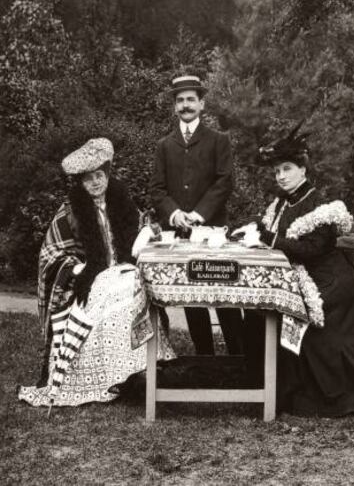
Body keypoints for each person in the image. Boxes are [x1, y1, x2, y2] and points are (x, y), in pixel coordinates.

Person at [238, 123, 354, 416]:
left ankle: (307, 392)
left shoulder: (320, 203)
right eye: (277, 171)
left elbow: (314, 250)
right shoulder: (282, 202)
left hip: (331, 284)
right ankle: (267, 383)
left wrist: (270, 239)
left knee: (305, 325)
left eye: (287, 169)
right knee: (261, 310)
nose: (281, 176)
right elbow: (273, 232)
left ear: (303, 170)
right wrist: (251, 230)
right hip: (303, 277)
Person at [18, 138, 174, 407]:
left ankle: (137, 369)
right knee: (116, 302)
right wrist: (74, 267)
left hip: (124, 272)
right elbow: (50, 252)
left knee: (137, 292)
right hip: (92, 279)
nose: (95, 183)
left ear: (108, 175)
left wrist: (150, 232)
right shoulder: (69, 212)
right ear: (80, 182)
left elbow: (141, 237)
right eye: (88, 179)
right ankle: (105, 377)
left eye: (99, 176)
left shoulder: (123, 203)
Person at [150, 75, 243, 355]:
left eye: (191, 99)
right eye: (180, 100)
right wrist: (175, 213)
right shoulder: (164, 145)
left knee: (224, 292)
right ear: (174, 107)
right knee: (192, 297)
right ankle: (205, 357)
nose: (185, 105)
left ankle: (239, 358)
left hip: (212, 231)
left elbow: (225, 181)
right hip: (179, 234)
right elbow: (156, 189)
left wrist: (199, 214)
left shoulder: (218, 140)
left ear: (202, 104)